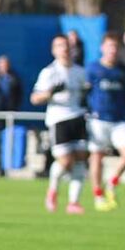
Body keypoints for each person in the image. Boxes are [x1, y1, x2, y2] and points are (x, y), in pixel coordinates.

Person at [31, 34, 88, 214]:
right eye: (59, 46)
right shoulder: (49, 72)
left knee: (80, 159)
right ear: (54, 50)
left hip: (78, 117)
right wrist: (50, 93)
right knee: (65, 161)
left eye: (66, 45)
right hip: (59, 119)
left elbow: (85, 92)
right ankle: (53, 190)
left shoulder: (79, 71)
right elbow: (34, 98)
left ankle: (73, 202)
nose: (64, 49)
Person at [85, 33, 125, 211]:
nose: (112, 50)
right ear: (102, 48)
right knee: (97, 156)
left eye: (115, 46)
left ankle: (112, 183)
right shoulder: (93, 69)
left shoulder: (123, 70)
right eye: (109, 46)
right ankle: (98, 195)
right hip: (98, 119)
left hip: (119, 119)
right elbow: (86, 92)